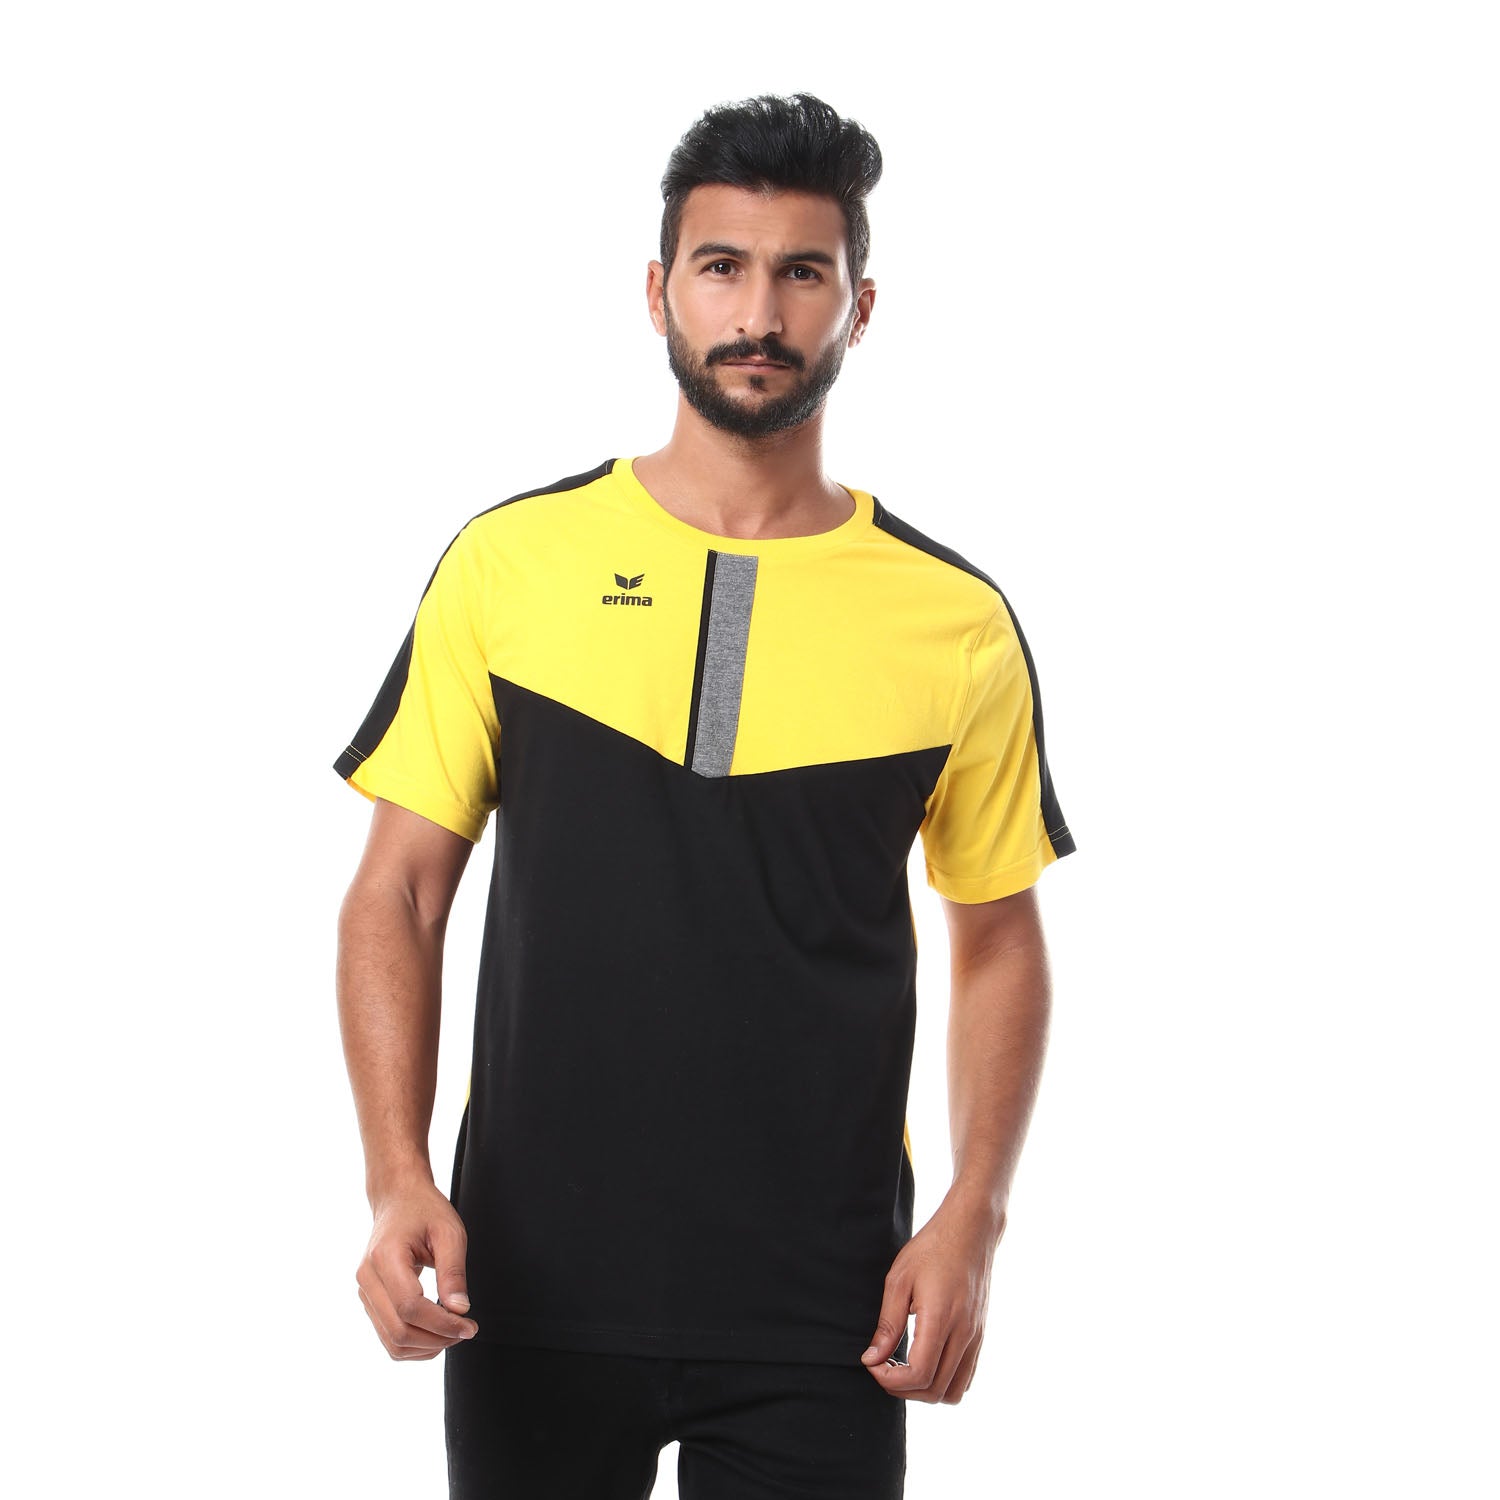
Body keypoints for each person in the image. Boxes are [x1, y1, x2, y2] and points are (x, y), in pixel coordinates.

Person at [333, 91, 1077, 1500]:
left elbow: (997, 936)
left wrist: (974, 1217)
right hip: (530, 1282)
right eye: (722, 266)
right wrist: (395, 1174)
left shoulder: (955, 621)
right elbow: (401, 890)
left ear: (860, 308)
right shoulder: (509, 566)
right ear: (658, 291)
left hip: (831, 1302)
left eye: (804, 273)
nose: (760, 312)